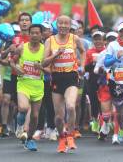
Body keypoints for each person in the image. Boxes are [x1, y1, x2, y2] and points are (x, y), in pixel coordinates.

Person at [42, 15, 85, 153]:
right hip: (56, 79)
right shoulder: (50, 40)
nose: (63, 26)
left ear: (69, 25)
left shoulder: (74, 38)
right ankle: (62, 138)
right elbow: (44, 63)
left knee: (71, 106)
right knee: (59, 117)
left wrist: (82, 65)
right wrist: (55, 55)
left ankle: (70, 135)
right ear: (57, 25)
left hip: (71, 77)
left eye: (66, 23)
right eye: (61, 23)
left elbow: (83, 51)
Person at [11, 24, 47, 151]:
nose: (35, 35)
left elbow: (49, 70)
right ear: (29, 34)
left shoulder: (45, 50)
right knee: (23, 107)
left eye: (37, 33)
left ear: (41, 35)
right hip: (23, 83)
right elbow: (12, 61)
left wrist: (41, 68)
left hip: (38, 86)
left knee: (35, 116)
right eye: (32, 33)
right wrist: (17, 68)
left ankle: (30, 139)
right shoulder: (22, 47)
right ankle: (20, 123)